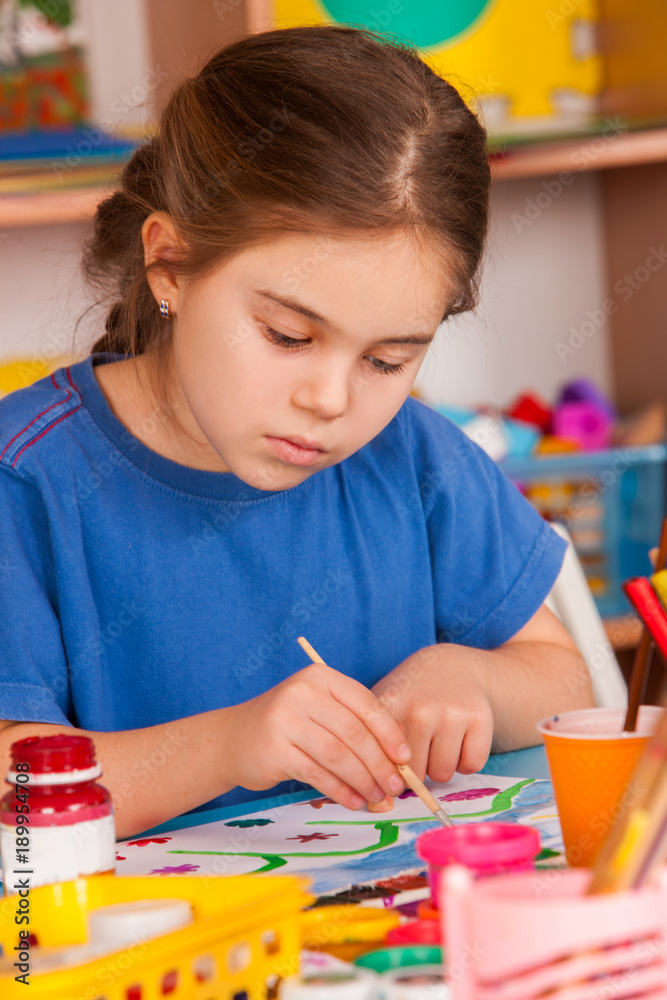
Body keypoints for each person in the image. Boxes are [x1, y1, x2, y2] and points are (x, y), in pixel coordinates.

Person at [0, 25, 593, 840]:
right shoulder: (26, 482)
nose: (329, 399)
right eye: (287, 335)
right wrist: (231, 745)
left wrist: (471, 680)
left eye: (387, 359)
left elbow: (567, 680)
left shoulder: (413, 459)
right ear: (170, 265)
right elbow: (16, 798)